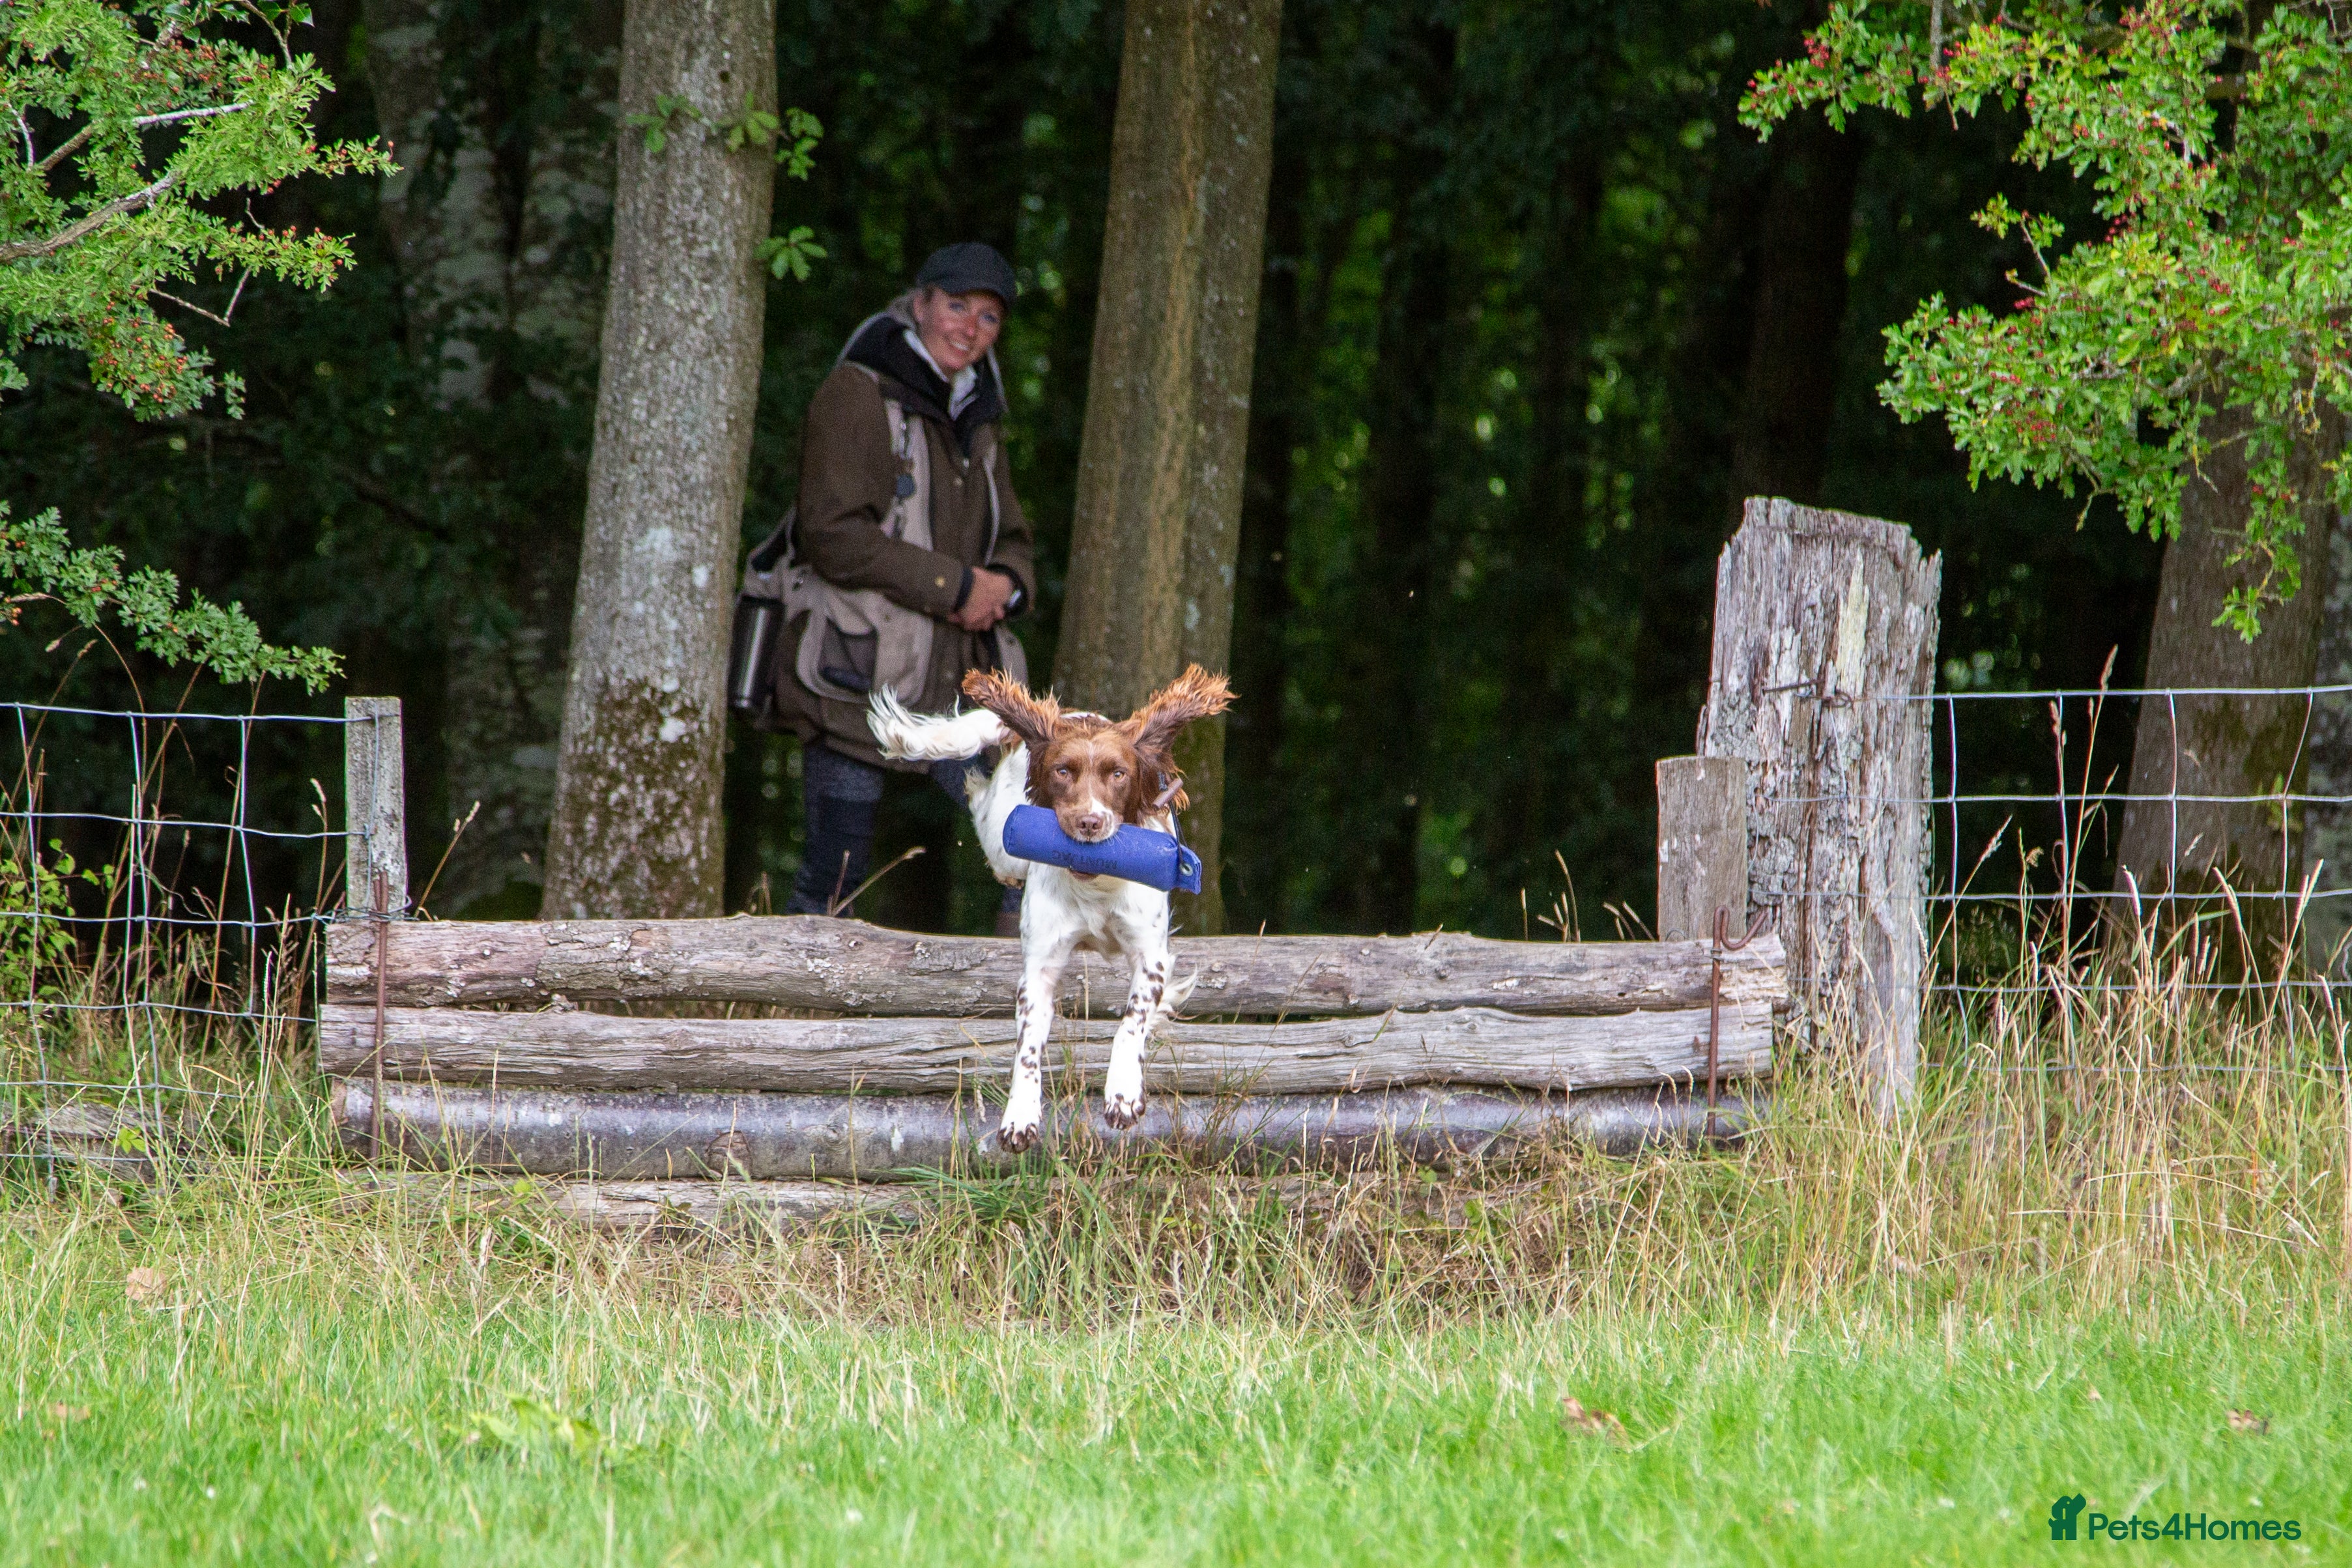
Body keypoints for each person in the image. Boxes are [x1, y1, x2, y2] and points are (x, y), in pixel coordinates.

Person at [763, 242, 1037, 933]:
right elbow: (831, 535)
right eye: (956, 307)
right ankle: (802, 1031)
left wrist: (1005, 585)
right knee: (835, 877)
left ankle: (1015, 1015)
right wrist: (955, 586)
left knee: (1027, 848)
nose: (970, 329)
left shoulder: (980, 413)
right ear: (919, 305)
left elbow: (1013, 538)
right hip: (855, 678)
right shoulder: (858, 390)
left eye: (988, 317)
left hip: (960, 687)